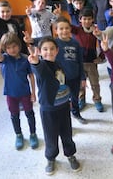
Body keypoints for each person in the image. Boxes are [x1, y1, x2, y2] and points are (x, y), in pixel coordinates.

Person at [28, 37, 81, 175]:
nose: (49, 52)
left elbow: (63, 82)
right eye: (45, 49)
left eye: (52, 49)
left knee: (67, 133)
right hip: (49, 110)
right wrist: (35, 62)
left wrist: (68, 98)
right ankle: (51, 158)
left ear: (57, 50)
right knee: (51, 136)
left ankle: (70, 154)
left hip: (63, 107)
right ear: (39, 51)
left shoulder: (58, 64)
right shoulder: (42, 65)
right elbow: (40, 70)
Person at [0, 32, 38, 150]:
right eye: (8, 48)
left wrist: (33, 92)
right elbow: (0, 58)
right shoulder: (5, 58)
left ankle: (33, 134)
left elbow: (31, 76)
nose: (12, 50)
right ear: (4, 49)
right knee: (14, 115)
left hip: (25, 92)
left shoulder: (25, 59)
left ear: (19, 45)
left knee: (29, 114)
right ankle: (18, 135)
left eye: (14, 46)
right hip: (11, 93)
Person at [54, 17, 87, 124]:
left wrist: (83, 77)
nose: (64, 31)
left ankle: (76, 113)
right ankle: (63, 119)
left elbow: (80, 61)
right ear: (56, 30)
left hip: (75, 76)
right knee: (62, 100)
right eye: (61, 29)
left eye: (67, 28)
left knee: (74, 97)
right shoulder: (53, 44)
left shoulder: (75, 43)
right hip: (60, 79)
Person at [71, 8, 104, 112]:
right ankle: (81, 99)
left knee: (95, 83)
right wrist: (58, 16)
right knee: (81, 83)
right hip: (79, 62)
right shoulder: (77, 30)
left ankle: (97, 99)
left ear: (93, 19)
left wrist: (101, 57)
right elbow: (66, 26)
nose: (87, 21)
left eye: (89, 19)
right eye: (84, 19)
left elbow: (103, 42)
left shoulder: (96, 31)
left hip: (92, 61)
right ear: (80, 19)